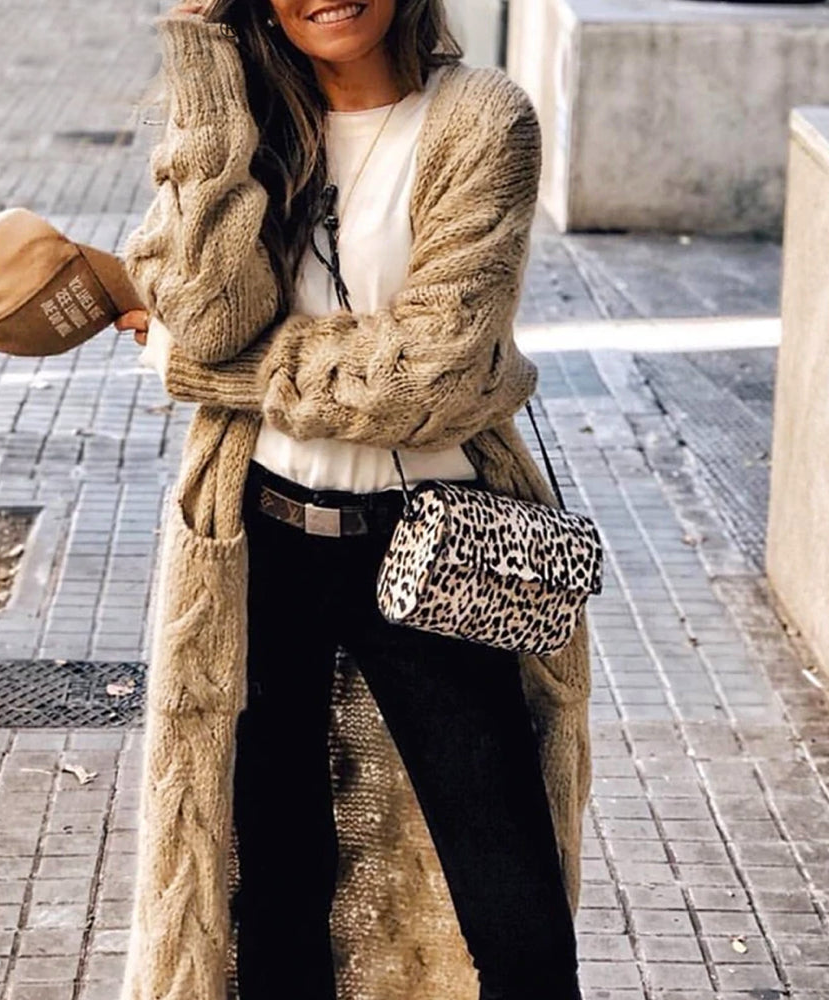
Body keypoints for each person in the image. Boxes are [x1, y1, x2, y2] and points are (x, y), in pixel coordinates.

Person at [114, 3, 592, 999]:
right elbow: (206, 317)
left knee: (516, 916)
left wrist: (209, 373)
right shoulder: (245, 127)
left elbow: (429, 375)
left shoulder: (481, 119)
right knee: (274, 891)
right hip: (258, 543)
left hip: (433, 542)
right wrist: (203, 64)